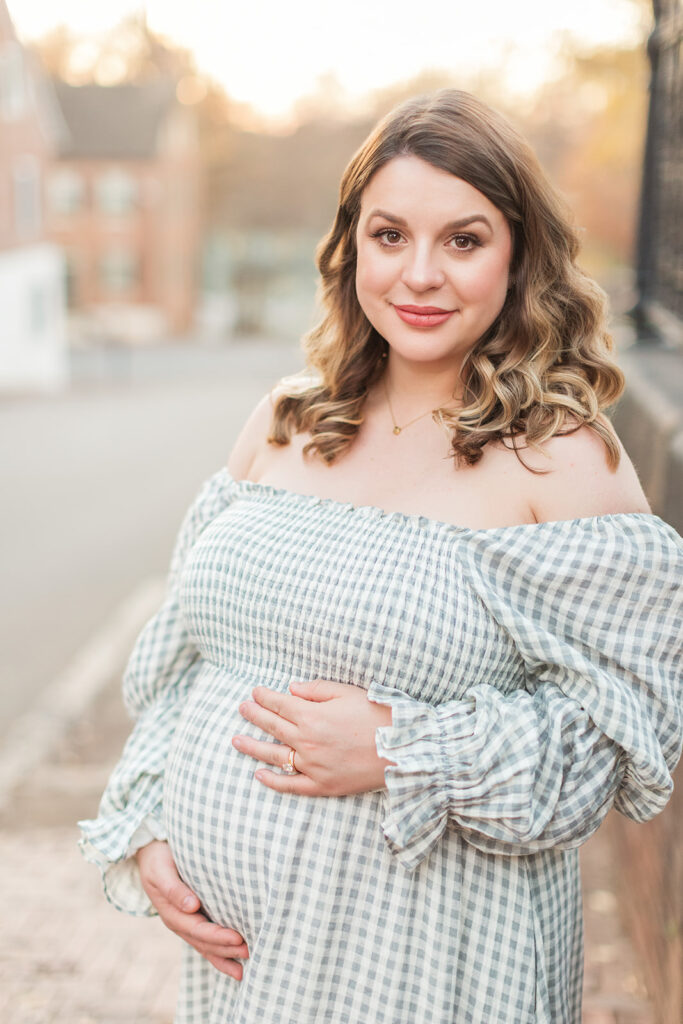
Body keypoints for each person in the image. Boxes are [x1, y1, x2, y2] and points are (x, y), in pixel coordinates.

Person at [79, 90, 683, 1024]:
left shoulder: (557, 454)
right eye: (390, 235)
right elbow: (185, 661)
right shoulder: (286, 417)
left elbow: (619, 739)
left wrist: (400, 750)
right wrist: (149, 820)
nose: (420, 275)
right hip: (240, 975)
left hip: (429, 960)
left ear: (519, 254)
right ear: (351, 245)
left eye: (464, 240)